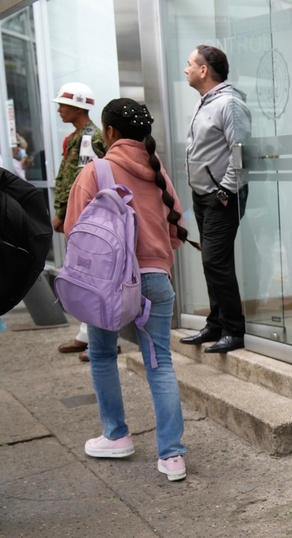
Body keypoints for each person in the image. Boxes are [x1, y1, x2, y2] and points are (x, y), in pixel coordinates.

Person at [64, 98, 189, 482]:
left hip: (108, 284)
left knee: (102, 355)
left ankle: (116, 435)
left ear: (110, 132)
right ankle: (172, 457)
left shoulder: (96, 170)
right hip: (155, 281)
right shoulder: (157, 171)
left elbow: (74, 232)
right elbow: (177, 233)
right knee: (160, 364)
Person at [180, 44, 251, 354]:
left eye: (190, 64)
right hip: (204, 195)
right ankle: (215, 324)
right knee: (212, 263)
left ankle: (234, 331)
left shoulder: (229, 104)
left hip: (221, 196)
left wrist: (225, 191)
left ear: (204, 70)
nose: (186, 69)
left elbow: (241, 153)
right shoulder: (206, 102)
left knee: (214, 261)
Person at [51, 82, 107, 360]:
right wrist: (63, 210)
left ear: (78, 106)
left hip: (87, 219)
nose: (59, 110)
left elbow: (91, 180)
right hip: (77, 217)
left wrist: (68, 213)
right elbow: (67, 179)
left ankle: (104, 339)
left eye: (63, 104)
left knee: (93, 276)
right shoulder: (75, 138)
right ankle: (87, 335)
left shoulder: (93, 138)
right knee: (82, 275)